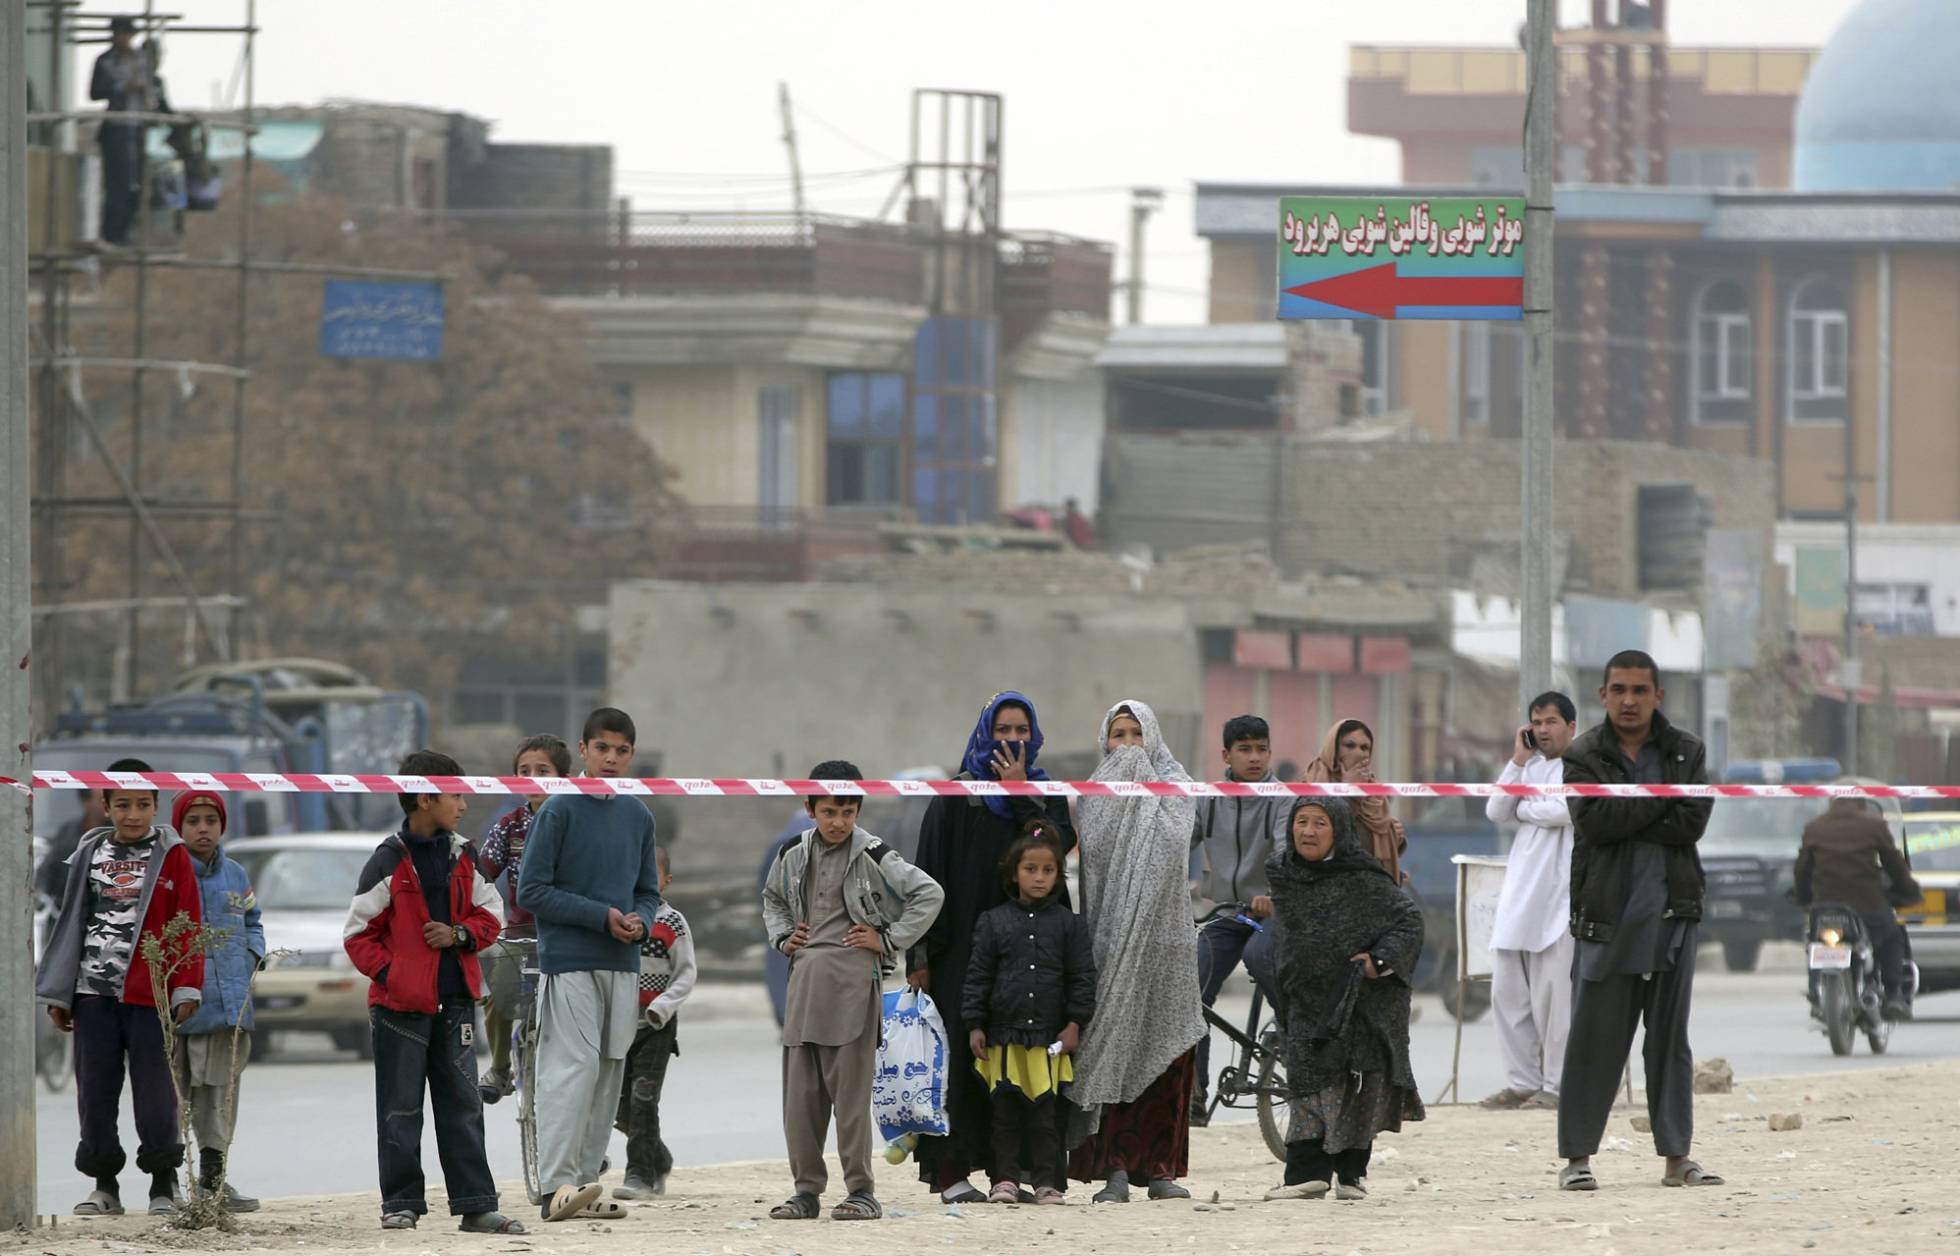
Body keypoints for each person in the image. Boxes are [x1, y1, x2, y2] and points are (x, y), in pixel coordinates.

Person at [1556, 651, 1720, 1192]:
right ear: (1602, 695)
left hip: (1672, 912)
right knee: (1594, 1040)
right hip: (1606, 916)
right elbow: (1596, 824)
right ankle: (1577, 1159)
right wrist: (1658, 802)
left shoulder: (1685, 752)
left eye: (1640, 690)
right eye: (1619, 689)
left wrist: (1636, 808)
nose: (1629, 700)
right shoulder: (1583, 756)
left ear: (1658, 696)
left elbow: (1690, 824)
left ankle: (1678, 1158)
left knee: (1669, 1042)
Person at [343, 750, 522, 1234]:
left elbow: (492, 915)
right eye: (455, 794)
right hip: (399, 1009)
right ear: (424, 798)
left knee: (463, 1106)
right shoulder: (386, 861)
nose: (463, 804)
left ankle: (477, 1205)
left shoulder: (465, 856)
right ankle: (400, 1203)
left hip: (458, 1005)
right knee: (400, 1110)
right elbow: (358, 934)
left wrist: (460, 935)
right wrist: (395, 974)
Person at [907, 691, 1074, 1204]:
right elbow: (925, 878)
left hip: (1033, 954)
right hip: (961, 954)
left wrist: (1022, 795)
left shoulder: (1047, 796)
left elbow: (1057, 845)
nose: (1012, 741)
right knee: (961, 1060)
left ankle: (1022, 1171)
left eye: (1021, 731)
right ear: (986, 733)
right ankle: (952, 1173)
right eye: (1003, 730)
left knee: (1025, 1065)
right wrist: (919, 958)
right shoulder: (957, 797)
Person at [762, 763, 945, 1222]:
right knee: (801, 1099)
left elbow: (929, 893)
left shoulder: (876, 855)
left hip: (852, 983)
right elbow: (772, 899)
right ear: (810, 809)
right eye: (828, 811)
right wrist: (785, 937)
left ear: (858, 810)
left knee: (850, 1099)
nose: (838, 821)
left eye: (847, 811)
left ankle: (861, 1191)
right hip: (804, 984)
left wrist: (887, 939)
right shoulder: (792, 852)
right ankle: (805, 1192)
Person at [35, 757, 204, 1218]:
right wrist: (60, 991)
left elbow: (188, 925)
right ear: (105, 805)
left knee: (155, 1095)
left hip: (150, 995)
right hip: (93, 996)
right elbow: (70, 922)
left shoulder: (173, 858)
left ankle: (162, 1187)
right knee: (95, 1093)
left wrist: (185, 989)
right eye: (123, 804)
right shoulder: (88, 855)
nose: (133, 814)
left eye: (143, 804)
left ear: (157, 807)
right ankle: (104, 1186)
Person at [516, 708, 662, 1223]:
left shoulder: (639, 814)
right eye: (603, 748)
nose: (612, 759)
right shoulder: (558, 810)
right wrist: (601, 917)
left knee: (608, 1071)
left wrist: (641, 920)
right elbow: (531, 890)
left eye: (622, 751)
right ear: (583, 751)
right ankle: (556, 1184)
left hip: (622, 962)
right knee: (570, 1069)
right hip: (572, 960)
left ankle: (583, 1183)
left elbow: (647, 891)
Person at [1067, 700, 1206, 1204]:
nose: (1127, 747)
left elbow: (1171, 851)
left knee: (1166, 1054)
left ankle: (1162, 1168)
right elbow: (1098, 861)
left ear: (1152, 737)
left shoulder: (1177, 787)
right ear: (1104, 740)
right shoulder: (1095, 795)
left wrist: (1145, 801)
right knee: (1115, 1048)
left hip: (1166, 944)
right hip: (1112, 941)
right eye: (1117, 735)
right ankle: (1115, 1170)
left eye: (1135, 735)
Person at [1264, 797, 1424, 1201]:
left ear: (1338, 830)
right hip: (1303, 997)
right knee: (1306, 1081)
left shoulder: (1363, 878)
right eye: (1301, 822)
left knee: (1354, 1082)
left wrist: (1379, 962)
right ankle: (1306, 1175)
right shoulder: (1285, 875)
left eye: (1320, 823)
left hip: (1355, 1001)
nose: (1308, 832)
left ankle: (1351, 1175)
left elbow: (1408, 920)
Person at [963, 820, 1096, 1205]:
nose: (1039, 878)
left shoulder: (1070, 926)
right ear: (1014, 872)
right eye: (1031, 869)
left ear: (1058, 875)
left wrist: (1074, 1024)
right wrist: (975, 1025)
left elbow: (1082, 978)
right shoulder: (993, 921)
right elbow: (978, 976)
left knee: (1045, 1116)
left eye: (1048, 870)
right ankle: (1003, 1181)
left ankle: (1046, 1183)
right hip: (1003, 1036)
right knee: (1004, 1114)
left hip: (1049, 1039)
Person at [1480, 693, 1579, 1111]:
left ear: (1571, 726)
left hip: (1559, 897)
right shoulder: (1530, 766)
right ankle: (1522, 1082)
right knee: (1508, 993)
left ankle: (1557, 1086)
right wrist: (1518, 761)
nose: (1542, 729)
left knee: (1554, 998)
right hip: (1520, 895)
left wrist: (1527, 809)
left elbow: (1568, 811)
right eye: (1537, 721)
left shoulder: (1587, 764)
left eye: (1551, 721)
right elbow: (1496, 808)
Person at [1190, 713, 1289, 1125]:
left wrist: (1274, 895)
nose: (1254, 757)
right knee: (1191, 995)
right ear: (1226, 754)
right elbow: (1181, 840)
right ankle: (1193, 1096)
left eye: (1261, 749)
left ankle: (1289, 1033)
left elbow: (1285, 852)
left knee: (1263, 959)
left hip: (1273, 911)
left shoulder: (1283, 798)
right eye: (1244, 749)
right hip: (1227, 914)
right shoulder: (1208, 797)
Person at [169, 791, 263, 1212]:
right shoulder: (167, 875)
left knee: (220, 1098)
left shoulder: (236, 874)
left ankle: (213, 1182)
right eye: (193, 821)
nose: (202, 828)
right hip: (177, 1012)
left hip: (228, 1009)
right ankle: (166, 1186)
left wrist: (251, 957)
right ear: (177, 826)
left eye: (210, 820)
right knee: (171, 1100)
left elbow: (253, 921)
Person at [477, 733, 571, 1104]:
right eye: (524, 771)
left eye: (543, 771)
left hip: (571, 929)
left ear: (564, 778)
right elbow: (482, 874)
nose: (532, 778)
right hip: (521, 929)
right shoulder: (509, 825)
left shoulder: (577, 822)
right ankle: (501, 1068)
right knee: (497, 972)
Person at [612, 844, 695, 1200]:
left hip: (655, 1028)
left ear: (666, 881)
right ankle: (658, 1157)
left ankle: (640, 1176)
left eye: (651, 875)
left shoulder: (671, 923)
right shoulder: (616, 920)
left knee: (644, 1100)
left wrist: (662, 1007)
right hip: (617, 1026)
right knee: (617, 1105)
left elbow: (686, 972)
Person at [1795, 798, 1920, 1021]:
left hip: (1825, 906)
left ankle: (1816, 991)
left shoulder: (1814, 827)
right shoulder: (1874, 826)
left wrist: (1804, 898)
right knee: (1892, 937)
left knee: (1815, 941)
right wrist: (1908, 891)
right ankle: (1893, 995)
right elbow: (1894, 864)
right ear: (1862, 805)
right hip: (1868, 905)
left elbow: (1802, 869)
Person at [90, 17, 167, 246]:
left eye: (125, 33)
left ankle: (126, 232)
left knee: (138, 182)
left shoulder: (142, 60)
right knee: (118, 184)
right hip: (116, 128)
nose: (121, 38)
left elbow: (157, 91)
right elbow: (95, 91)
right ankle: (112, 233)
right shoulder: (105, 61)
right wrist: (123, 87)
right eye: (117, 33)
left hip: (138, 126)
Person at [1303, 719, 1408, 886]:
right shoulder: (1311, 783)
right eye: (1350, 746)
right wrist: (1347, 791)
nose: (1359, 753)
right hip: (1327, 884)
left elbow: (1376, 838)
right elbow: (1319, 832)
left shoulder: (1373, 789)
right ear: (1334, 748)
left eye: (1365, 748)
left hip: (1371, 887)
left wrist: (1393, 836)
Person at [38, 791, 109, 904]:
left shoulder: (119, 833)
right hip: (64, 906)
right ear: (86, 802)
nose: (108, 805)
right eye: (102, 800)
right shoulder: (68, 831)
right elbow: (47, 869)